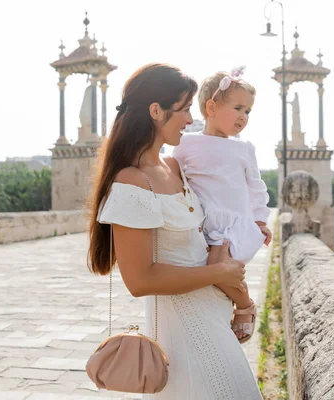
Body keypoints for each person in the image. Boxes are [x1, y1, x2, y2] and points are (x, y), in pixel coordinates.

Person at [87, 63, 263, 399]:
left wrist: (240, 297)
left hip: (215, 319)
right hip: (185, 335)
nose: (189, 119)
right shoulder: (132, 181)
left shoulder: (174, 166)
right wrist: (218, 271)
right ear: (156, 111)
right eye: (183, 110)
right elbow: (140, 280)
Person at [173, 67, 272, 343]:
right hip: (203, 223)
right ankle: (239, 303)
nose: (244, 117)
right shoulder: (185, 143)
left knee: (218, 267)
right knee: (211, 268)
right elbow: (177, 181)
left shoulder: (244, 149)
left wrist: (260, 220)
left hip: (234, 225)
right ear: (212, 107)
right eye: (238, 108)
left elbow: (256, 187)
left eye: (248, 111)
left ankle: (245, 305)